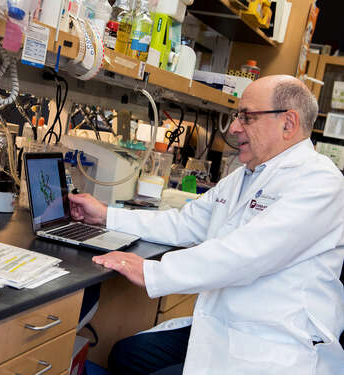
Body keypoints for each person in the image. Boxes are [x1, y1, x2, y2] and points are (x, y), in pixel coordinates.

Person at [69, 75, 344, 375]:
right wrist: (106, 215)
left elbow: (246, 254)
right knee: (128, 355)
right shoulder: (247, 175)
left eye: (247, 117)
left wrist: (151, 271)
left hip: (273, 344)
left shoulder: (320, 183)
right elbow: (184, 221)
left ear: (288, 124)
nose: (235, 128)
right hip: (224, 324)